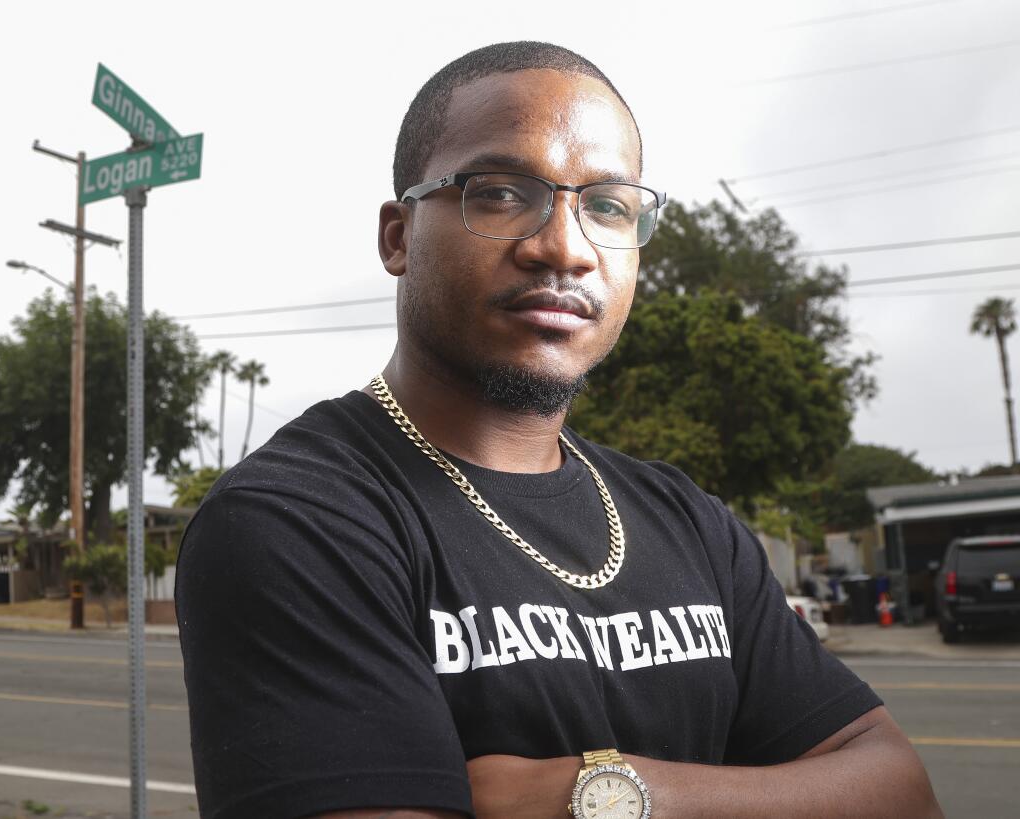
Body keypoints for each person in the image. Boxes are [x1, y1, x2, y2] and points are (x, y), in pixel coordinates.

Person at [176, 41, 941, 819]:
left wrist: (607, 796)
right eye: (503, 192)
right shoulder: (296, 520)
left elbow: (898, 789)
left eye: (608, 206)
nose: (564, 247)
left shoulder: (689, 520)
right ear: (398, 237)